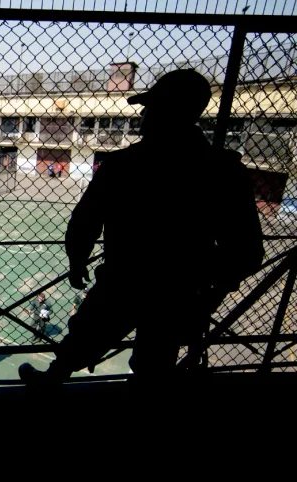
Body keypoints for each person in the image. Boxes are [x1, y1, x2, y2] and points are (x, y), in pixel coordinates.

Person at [20, 70, 264, 387]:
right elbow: (247, 252)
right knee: (155, 359)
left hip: (125, 280)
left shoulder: (122, 166)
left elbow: (85, 222)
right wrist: (208, 285)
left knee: (86, 336)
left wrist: (77, 259)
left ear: (168, 111)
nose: (143, 114)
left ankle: (52, 381)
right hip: (180, 289)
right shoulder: (225, 170)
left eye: (150, 108)